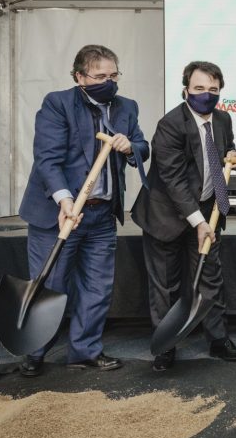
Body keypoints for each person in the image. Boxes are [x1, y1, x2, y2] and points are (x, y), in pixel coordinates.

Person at [17, 44, 149, 377]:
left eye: (113, 75)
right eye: (100, 76)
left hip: (102, 214)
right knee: (51, 285)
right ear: (80, 77)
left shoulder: (126, 107)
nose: (109, 81)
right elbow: (48, 159)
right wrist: (64, 200)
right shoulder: (58, 104)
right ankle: (34, 351)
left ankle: (85, 350)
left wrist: (130, 146)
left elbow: (142, 147)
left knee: (97, 286)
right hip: (59, 214)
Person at [131, 61, 236, 371]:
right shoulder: (170, 124)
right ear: (185, 91)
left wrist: (234, 155)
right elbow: (173, 180)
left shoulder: (223, 119)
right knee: (165, 285)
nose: (206, 95)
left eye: (213, 89)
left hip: (207, 211)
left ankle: (218, 340)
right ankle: (165, 347)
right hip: (165, 215)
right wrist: (197, 222)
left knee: (211, 279)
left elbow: (224, 151)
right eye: (199, 89)